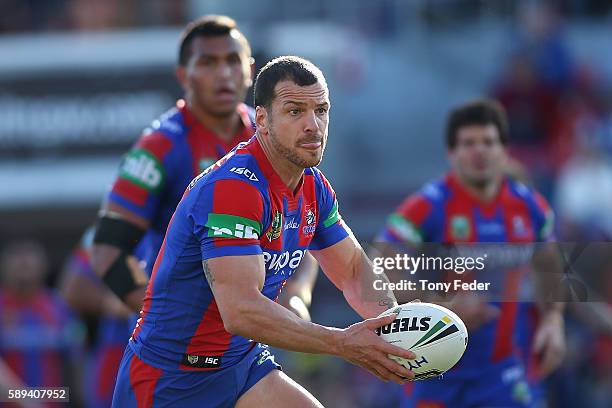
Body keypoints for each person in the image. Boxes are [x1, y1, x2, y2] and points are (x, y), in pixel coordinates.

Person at [111, 56, 416, 407]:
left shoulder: (314, 188)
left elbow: (352, 272)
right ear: (262, 120)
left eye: (321, 110)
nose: (313, 125)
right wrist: (342, 343)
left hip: (242, 366)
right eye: (294, 111)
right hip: (171, 379)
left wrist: (396, 328)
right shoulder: (234, 187)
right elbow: (240, 310)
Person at [90, 14, 316, 317]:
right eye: (208, 63)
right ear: (184, 76)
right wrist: (165, 318)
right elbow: (108, 250)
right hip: (182, 346)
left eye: (232, 61)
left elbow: (306, 232)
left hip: (247, 332)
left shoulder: (273, 134)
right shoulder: (159, 147)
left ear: (249, 71)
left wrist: (296, 297)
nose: (223, 73)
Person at [376, 99, 566, 407]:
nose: (479, 151)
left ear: (504, 151)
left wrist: (553, 320)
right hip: (434, 369)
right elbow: (380, 269)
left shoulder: (530, 207)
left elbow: (550, 264)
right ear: (451, 153)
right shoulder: (428, 205)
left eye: (489, 142)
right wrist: (442, 306)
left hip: (502, 371)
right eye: (468, 143)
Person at [0, 241, 84, 407]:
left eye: (29, 259)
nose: (23, 263)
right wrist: (26, 399)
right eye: (17, 259)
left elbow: (77, 359)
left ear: (43, 266)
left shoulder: (58, 307)